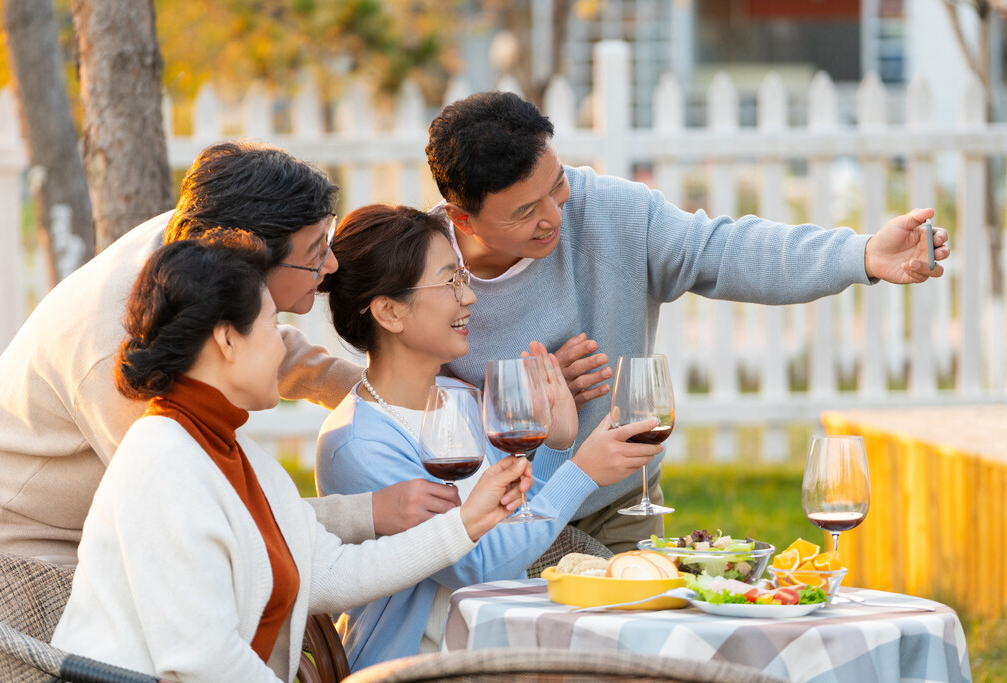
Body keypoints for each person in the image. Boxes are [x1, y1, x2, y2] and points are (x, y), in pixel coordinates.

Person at [424, 91, 951, 552]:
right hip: (488, 515)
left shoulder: (613, 213)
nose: (555, 216)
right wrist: (518, 404)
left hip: (619, 504)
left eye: (556, 186)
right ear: (462, 218)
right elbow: (386, 394)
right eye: (524, 211)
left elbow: (724, 250)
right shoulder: (417, 268)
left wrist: (859, 254)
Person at [50, 234, 532, 683]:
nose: (284, 346)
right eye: (270, 326)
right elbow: (202, 663)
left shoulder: (234, 453)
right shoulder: (162, 461)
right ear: (227, 339)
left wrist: (467, 521)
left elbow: (331, 571)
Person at [0, 141, 461, 565]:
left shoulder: (201, 244)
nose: (330, 265)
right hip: (30, 549)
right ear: (250, 260)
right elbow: (212, 505)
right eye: (316, 252)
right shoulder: (121, 349)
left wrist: (388, 396)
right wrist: (371, 511)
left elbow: (277, 349)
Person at [314, 205, 662, 671]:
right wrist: (582, 471)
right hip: (416, 667)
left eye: (463, 276)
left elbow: (516, 517)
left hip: (498, 651)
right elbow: (477, 567)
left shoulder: (458, 399)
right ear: (390, 312)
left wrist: (558, 445)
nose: (469, 297)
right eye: (449, 282)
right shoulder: (357, 444)